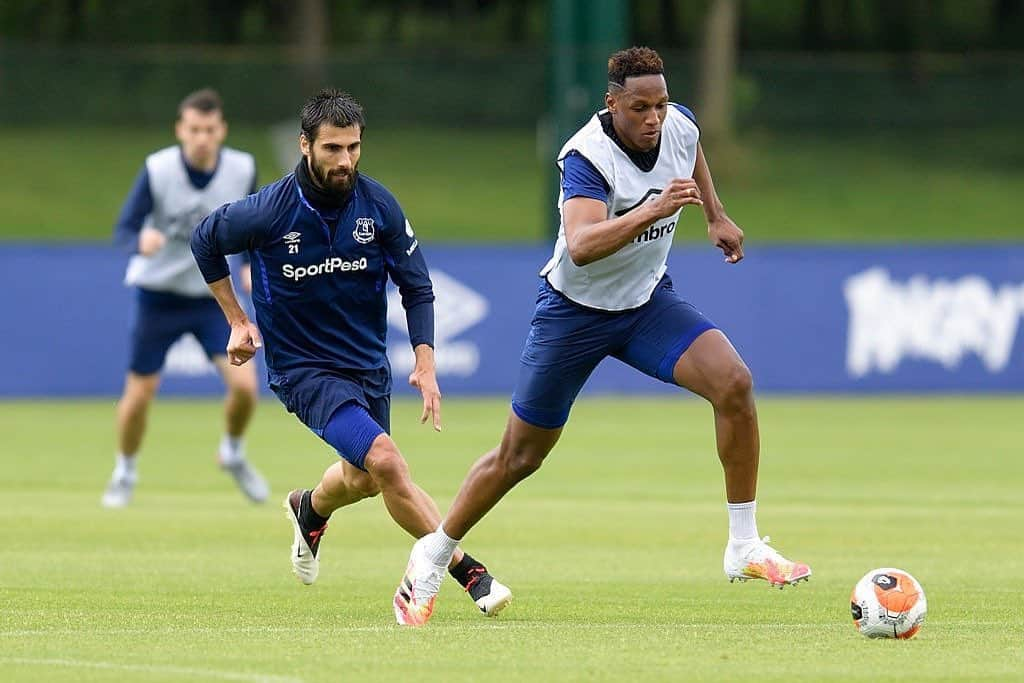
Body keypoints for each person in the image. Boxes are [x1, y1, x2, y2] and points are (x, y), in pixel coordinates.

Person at [395, 46, 811, 625]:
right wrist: (654, 208)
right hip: (574, 313)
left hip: (645, 305)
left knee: (734, 383)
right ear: (611, 104)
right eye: (640, 107)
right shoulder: (585, 156)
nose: (654, 118)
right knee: (520, 456)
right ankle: (433, 553)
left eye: (660, 105)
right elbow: (584, 245)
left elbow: (690, 156)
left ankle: (743, 545)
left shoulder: (678, 126)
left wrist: (714, 214)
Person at [190, 88, 512, 623]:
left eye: (354, 148)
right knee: (386, 460)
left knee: (364, 478)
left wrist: (425, 362)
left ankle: (309, 507)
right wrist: (238, 320)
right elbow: (204, 240)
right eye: (333, 149)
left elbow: (417, 286)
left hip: (367, 367)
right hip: (303, 370)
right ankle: (465, 571)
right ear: (305, 145)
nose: (345, 161)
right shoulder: (270, 209)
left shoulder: (378, 206)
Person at [103, 88, 268, 508]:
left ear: (221, 130)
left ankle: (231, 452)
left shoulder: (241, 168)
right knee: (139, 396)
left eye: (209, 130)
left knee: (247, 389)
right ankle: (125, 469)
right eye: (194, 129)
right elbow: (124, 229)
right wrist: (141, 239)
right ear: (181, 130)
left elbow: (253, 225)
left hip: (215, 298)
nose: (201, 138)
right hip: (158, 296)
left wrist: (249, 263)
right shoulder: (157, 170)